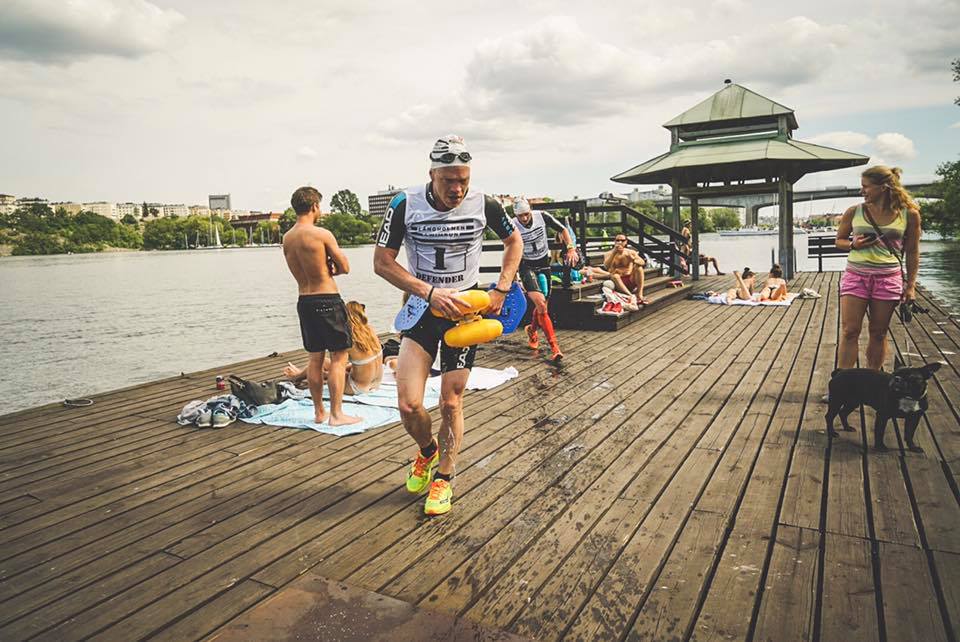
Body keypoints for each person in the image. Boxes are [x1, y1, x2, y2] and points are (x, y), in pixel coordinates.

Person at [373, 134, 522, 516]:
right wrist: (429, 292)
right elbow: (383, 262)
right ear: (432, 174)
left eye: (463, 180)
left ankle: (444, 478)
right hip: (423, 310)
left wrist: (503, 287)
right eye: (449, 181)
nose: (457, 189)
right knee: (408, 404)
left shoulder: (484, 203)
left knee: (450, 401)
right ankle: (426, 451)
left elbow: (514, 242)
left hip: (466, 311)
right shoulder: (405, 203)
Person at [282, 187, 360, 427]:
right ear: (315, 206)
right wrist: (333, 268)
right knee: (338, 357)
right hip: (327, 298)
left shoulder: (287, 238)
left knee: (315, 358)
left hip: (304, 300)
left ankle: (319, 412)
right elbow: (345, 266)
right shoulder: (321, 234)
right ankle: (337, 415)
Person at [836, 165, 921, 370]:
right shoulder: (854, 211)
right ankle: (842, 383)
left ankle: (871, 382)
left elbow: (912, 252)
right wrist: (852, 244)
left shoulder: (909, 214)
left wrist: (910, 286)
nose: (862, 191)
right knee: (850, 331)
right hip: (856, 276)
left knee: (878, 332)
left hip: (888, 278)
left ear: (883, 187)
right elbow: (839, 240)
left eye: (866, 187)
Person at [512, 197, 576, 361]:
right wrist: (512, 274)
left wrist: (570, 248)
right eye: (521, 216)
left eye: (526, 214)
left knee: (543, 305)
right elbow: (509, 247)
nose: (524, 219)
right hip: (526, 266)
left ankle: (532, 330)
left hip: (544, 264)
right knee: (540, 304)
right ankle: (555, 347)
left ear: (530, 210)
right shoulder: (512, 224)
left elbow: (563, 230)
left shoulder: (542, 216)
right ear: (516, 215)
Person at [282, 301, 384, 394]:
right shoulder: (370, 332)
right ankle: (299, 374)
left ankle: (296, 376)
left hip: (356, 387)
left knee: (321, 363)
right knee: (327, 363)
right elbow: (364, 363)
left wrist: (326, 374)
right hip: (375, 384)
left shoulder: (349, 338)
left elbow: (338, 365)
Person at [599, 234, 648, 303]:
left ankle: (640, 294)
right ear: (614, 241)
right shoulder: (608, 254)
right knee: (614, 275)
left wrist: (633, 259)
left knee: (639, 268)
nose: (620, 242)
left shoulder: (631, 252)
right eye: (617, 240)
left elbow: (642, 262)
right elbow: (606, 266)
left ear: (626, 242)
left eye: (622, 240)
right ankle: (630, 295)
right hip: (618, 281)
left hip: (630, 279)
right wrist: (614, 252)